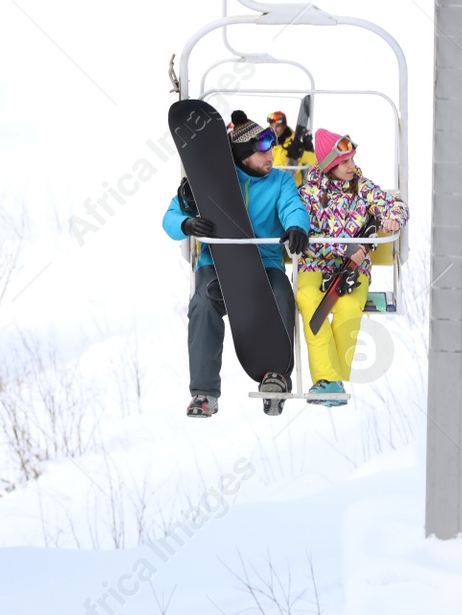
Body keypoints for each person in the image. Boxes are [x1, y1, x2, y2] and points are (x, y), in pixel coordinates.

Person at [163, 110, 311, 418]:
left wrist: (296, 226)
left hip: (264, 264)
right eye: (262, 150)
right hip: (216, 263)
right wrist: (187, 224)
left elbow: (292, 207)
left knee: (281, 294)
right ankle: (204, 393)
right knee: (203, 303)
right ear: (244, 155)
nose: (271, 155)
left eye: (271, 147)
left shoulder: (280, 181)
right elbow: (169, 217)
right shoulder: (212, 181)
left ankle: (276, 376)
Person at [295, 130, 407, 406]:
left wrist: (393, 218)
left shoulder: (362, 188)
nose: (352, 166)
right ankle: (331, 381)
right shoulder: (308, 193)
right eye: (345, 162)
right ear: (330, 165)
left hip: (353, 268)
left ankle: (330, 381)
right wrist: (342, 247)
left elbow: (395, 205)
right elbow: (300, 228)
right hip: (315, 263)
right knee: (310, 301)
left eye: (352, 160)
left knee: (346, 308)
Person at [267, 109, 316, 180]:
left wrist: (300, 154)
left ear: (284, 126)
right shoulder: (264, 141)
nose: (274, 129)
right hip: (270, 185)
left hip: (292, 185)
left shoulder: (296, 142)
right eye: (272, 126)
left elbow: (315, 162)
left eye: (277, 126)